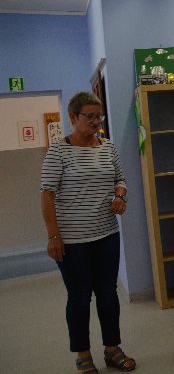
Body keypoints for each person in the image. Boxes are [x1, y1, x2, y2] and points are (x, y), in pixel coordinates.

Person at [40, 91, 136, 373]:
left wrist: (120, 196)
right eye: (90, 116)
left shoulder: (108, 147)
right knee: (80, 298)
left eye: (99, 117)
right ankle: (83, 355)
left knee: (108, 294)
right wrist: (53, 235)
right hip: (72, 241)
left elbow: (120, 180)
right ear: (73, 117)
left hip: (106, 234)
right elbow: (47, 194)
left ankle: (112, 349)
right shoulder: (58, 151)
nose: (96, 121)